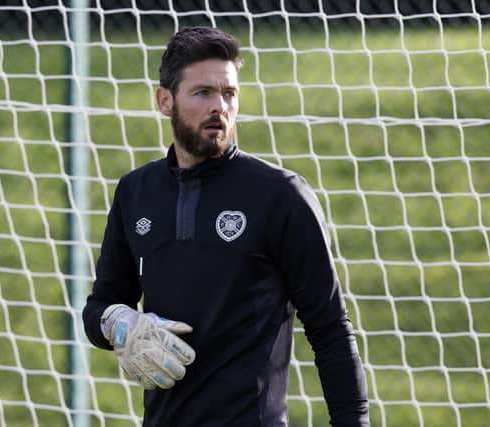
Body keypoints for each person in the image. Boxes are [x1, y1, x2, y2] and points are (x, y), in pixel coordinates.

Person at [82, 26, 369, 426]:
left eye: (229, 93)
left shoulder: (280, 195)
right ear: (165, 101)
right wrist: (118, 322)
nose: (220, 106)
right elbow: (98, 307)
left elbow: (331, 330)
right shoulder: (136, 192)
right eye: (203, 93)